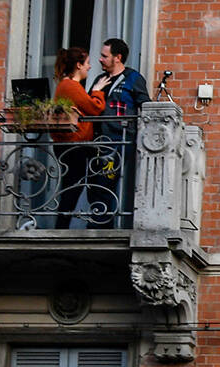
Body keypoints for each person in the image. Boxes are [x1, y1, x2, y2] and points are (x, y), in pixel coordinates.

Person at [88, 38, 149, 228]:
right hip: (97, 141)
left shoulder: (133, 78)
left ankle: (102, 226)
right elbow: (90, 107)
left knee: (108, 183)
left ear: (118, 58)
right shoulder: (100, 80)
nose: (100, 59)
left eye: (104, 56)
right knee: (93, 186)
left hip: (119, 141)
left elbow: (146, 106)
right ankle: (98, 220)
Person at [48, 47, 106, 228]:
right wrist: (97, 91)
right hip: (74, 146)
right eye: (87, 63)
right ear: (78, 65)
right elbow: (94, 108)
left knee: (73, 185)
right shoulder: (70, 86)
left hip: (70, 145)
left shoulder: (67, 85)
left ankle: (62, 225)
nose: (89, 67)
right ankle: (61, 227)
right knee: (73, 187)